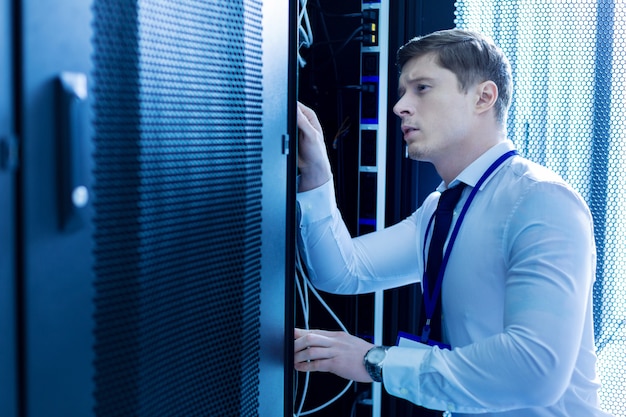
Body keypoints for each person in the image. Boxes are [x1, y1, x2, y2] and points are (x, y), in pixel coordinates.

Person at [293, 29, 611, 416]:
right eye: (401, 91)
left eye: (422, 88)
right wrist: (316, 177)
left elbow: (535, 371)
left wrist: (375, 361)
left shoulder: (540, 200)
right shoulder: (439, 211)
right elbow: (342, 271)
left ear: (483, 97)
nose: (399, 107)